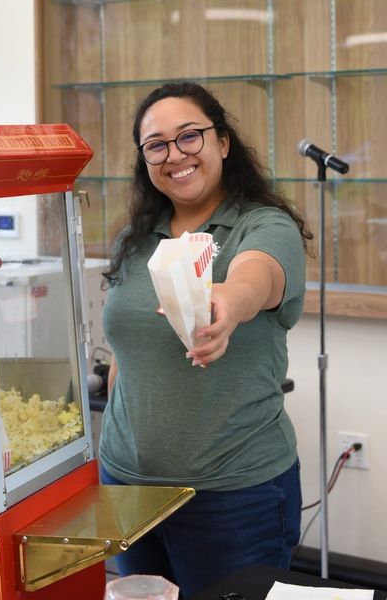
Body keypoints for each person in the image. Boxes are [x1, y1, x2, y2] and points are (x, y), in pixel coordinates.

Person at [99, 81, 311, 597]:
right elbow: (127, 348)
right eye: (157, 145)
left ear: (222, 142)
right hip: (127, 488)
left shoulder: (261, 224)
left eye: (189, 136)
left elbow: (254, 278)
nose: (175, 155)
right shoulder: (137, 237)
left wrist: (226, 303)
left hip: (233, 496)